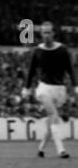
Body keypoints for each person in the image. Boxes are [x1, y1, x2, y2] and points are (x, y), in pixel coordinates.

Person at [26, 21, 74, 158]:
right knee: (54, 116)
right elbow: (31, 71)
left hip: (58, 89)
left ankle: (41, 149)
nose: (46, 35)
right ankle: (61, 150)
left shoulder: (62, 50)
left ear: (53, 34)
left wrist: (75, 85)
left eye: (48, 32)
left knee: (52, 121)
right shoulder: (37, 51)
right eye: (44, 32)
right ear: (41, 34)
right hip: (43, 89)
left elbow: (69, 69)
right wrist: (27, 88)